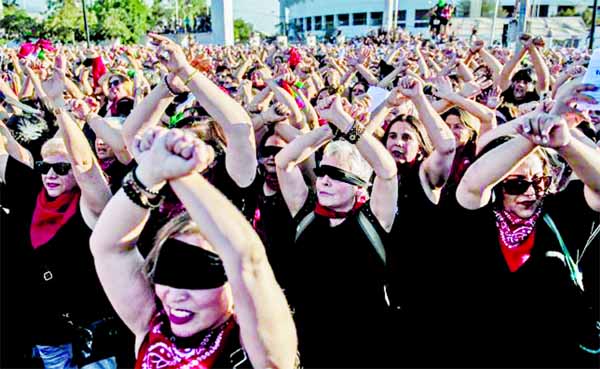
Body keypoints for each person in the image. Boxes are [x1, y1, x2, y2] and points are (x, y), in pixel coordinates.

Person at [89, 126, 297, 369]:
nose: (177, 294)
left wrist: (180, 173)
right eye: (167, 272)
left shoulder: (261, 352)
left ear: (235, 285)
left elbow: (247, 260)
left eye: (198, 276)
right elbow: (109, 247)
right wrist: (149, 173)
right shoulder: (152, 325)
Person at [453, 113, 600, 367]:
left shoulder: (560, 215)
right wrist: (530, 140)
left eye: (539, 182)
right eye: (517, 185)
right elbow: (472, 184)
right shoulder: (477, 219)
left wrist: (565, 143)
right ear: (497, 185)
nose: (531, 193)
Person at [275, 94, 398, 367]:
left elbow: (386, 171)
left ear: (360, 187)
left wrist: (345, 121)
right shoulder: (306, 212)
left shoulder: (373, 218)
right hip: (308, 347)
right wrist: (329, 127)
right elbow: (283, 162)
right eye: (322, 173)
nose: (326, 182)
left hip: (366, 349)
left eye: (339, 176)